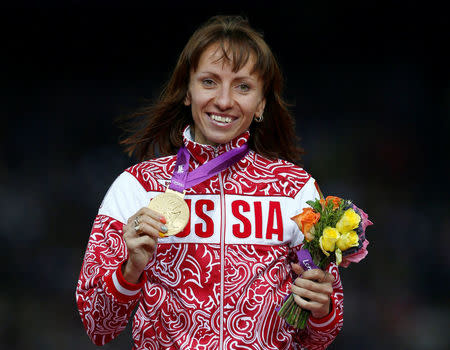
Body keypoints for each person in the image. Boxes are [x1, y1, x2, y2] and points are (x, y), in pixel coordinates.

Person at [76, 15, 343, 349]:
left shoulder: (295, 189)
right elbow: (97, 325)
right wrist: (130, 270)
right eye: (209, 81)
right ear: (187, 91)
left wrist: (322, 308)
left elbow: (318, 336)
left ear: (261, 103)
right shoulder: (137, 187)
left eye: (243, 86)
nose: (224, 100)